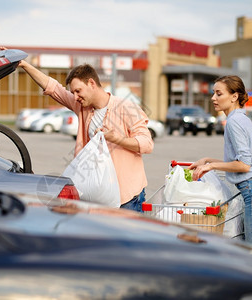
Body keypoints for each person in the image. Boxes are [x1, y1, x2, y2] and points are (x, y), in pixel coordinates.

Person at [8, 51, 154, 212]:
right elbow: (53, 87)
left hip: (126, 197)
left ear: (92, 83)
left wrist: (117, 139)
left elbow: (147, 144)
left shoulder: (127, 107)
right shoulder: (83, 106)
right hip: (98, 196)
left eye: (78, 91)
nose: (75, 97)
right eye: (73, 93)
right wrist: (25, 65)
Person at [188, 75, 252, 249]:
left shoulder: (234, 122)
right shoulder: (240, 118)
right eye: (213, 93)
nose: (213, 98)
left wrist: (211, 166)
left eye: (219, 94)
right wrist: (207, 160)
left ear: (234, 96)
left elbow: (244, 165)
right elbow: (236, 162)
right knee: (244, 250)